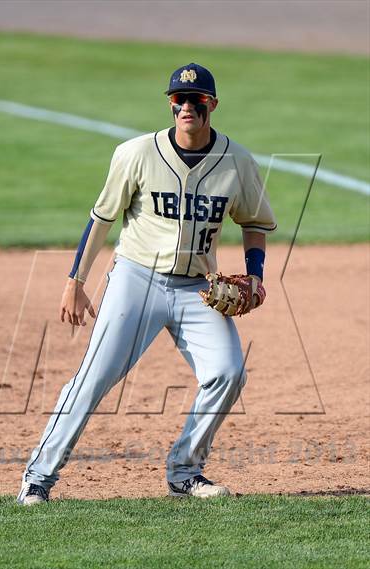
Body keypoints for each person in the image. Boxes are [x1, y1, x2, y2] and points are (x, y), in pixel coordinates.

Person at [17, 63, 277, 505]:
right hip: (136, 280)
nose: (186, 107)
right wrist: (74, 281)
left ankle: (185, 471)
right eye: (178, 99)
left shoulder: (238, 162)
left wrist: (255, 274)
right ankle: (38, 478)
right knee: (94, 378)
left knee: (229, 373)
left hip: (196, 289)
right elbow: (100, 219)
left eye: (196, 100)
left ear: (212, 105)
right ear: (170, 104)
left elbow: (255, 222)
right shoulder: (136, 153)